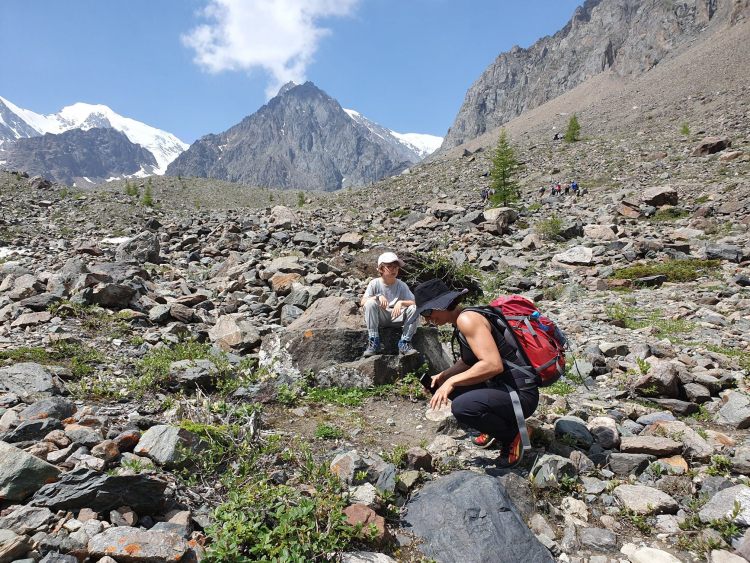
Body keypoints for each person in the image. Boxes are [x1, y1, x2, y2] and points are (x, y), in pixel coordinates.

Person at [413, 278, 539, 467]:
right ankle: (495, 426)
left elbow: (492, 365)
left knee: (463, 407)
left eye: (428, 311)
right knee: (442, 385)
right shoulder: (462, 319)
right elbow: (468, 361)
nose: (427, 318)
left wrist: (452, 382)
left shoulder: (467, 319)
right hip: (504, 388)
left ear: (442, 304)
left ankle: (513, 434)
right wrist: (444, 377)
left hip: (520, 396)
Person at [360, 252, 419, 357]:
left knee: (414, 309)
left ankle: (405, 343)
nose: (394, 269)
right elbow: (363, 302)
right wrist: (377, 297)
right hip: (381, 317)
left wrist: (401, 302)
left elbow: (416, 303)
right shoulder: (374, 283)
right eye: (389, 267)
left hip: (397, 317)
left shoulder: (402, 285)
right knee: (370, 303)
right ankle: (374, 342)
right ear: (381, 269)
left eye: (396, 267)